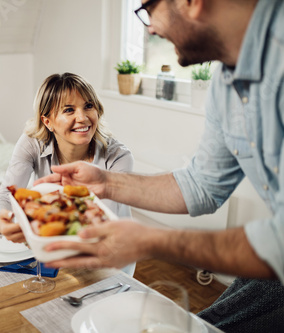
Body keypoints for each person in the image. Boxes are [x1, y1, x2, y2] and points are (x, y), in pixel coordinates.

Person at [35, 0, 284, 331]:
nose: (149, 28)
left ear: (190, 2)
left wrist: (152, 241)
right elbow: (201, 185)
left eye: (148, 9)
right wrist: (106, 182)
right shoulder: (226, 83)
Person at [0, 72, 136, 276]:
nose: (82, 118)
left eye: (88, 106)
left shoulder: (119, 157)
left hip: (108, 260)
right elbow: (5, 196)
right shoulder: (32, 143)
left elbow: (98, 225)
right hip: (56, 253)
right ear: (47, 122)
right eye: (69, 110)